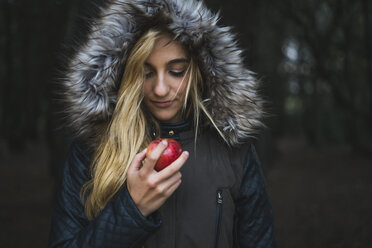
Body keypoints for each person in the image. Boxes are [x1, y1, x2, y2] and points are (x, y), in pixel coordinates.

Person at [48, 0, 276, 247]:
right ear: (128, 76)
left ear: (200, 71)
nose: (159, 89)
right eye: (145, 73)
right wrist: (132, 210)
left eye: (176, 71)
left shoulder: (234, 153)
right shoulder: (91, 150)